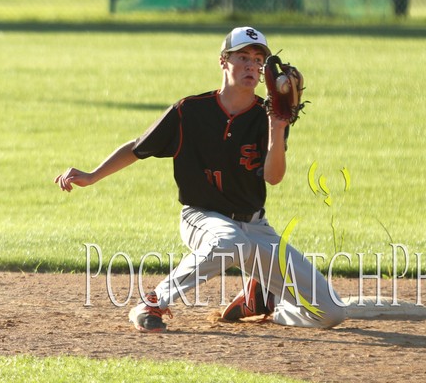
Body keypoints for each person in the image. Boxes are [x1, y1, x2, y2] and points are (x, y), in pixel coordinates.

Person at [55, 26, 346, 333]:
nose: (251, 65)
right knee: (231, 242)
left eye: (258, 60)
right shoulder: (190, 111)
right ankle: (152, 303)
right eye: (243, 57)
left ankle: (263, 300)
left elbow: (274, 178)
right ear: (223, 61)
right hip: (202, 217)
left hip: (256, 227)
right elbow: (138, 147)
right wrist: (92, 175)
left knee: (331, 313)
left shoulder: (269, 115)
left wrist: (277, 127)